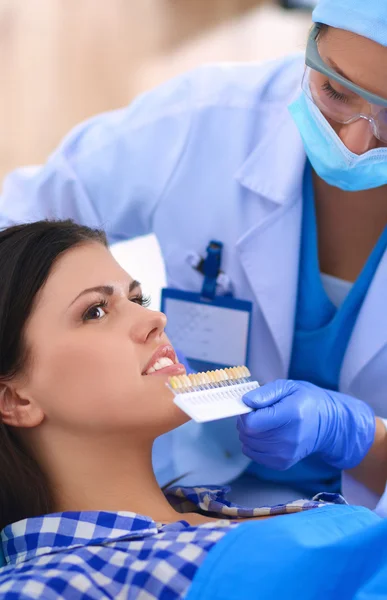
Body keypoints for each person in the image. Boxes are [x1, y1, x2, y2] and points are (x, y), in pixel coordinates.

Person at [1, 0, 387, 511]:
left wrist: (368, 440)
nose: (356, 142)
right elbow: (18, 247)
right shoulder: (201, 125)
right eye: (334, 91)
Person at [0, 219, 373, 600]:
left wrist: (368, 439)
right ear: (15, 400)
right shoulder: (44, 587)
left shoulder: (218, 509)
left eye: (136, 299)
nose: (155, 319)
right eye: (95, 311)